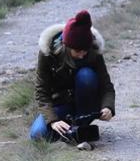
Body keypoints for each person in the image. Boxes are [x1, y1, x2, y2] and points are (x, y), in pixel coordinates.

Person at [29, 10, 116, 150]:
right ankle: (69, 128)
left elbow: (106, 85)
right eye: (78, 51)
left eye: (85, 51)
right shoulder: (47, 53)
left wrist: (108, 107)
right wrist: (52, 121)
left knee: (86, 75)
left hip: (87, 105)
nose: (82, 55)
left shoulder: (93, 50)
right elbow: (41, 92)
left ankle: (82, 125)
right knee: (37, 134)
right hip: (61, 104)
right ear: (66, 46)